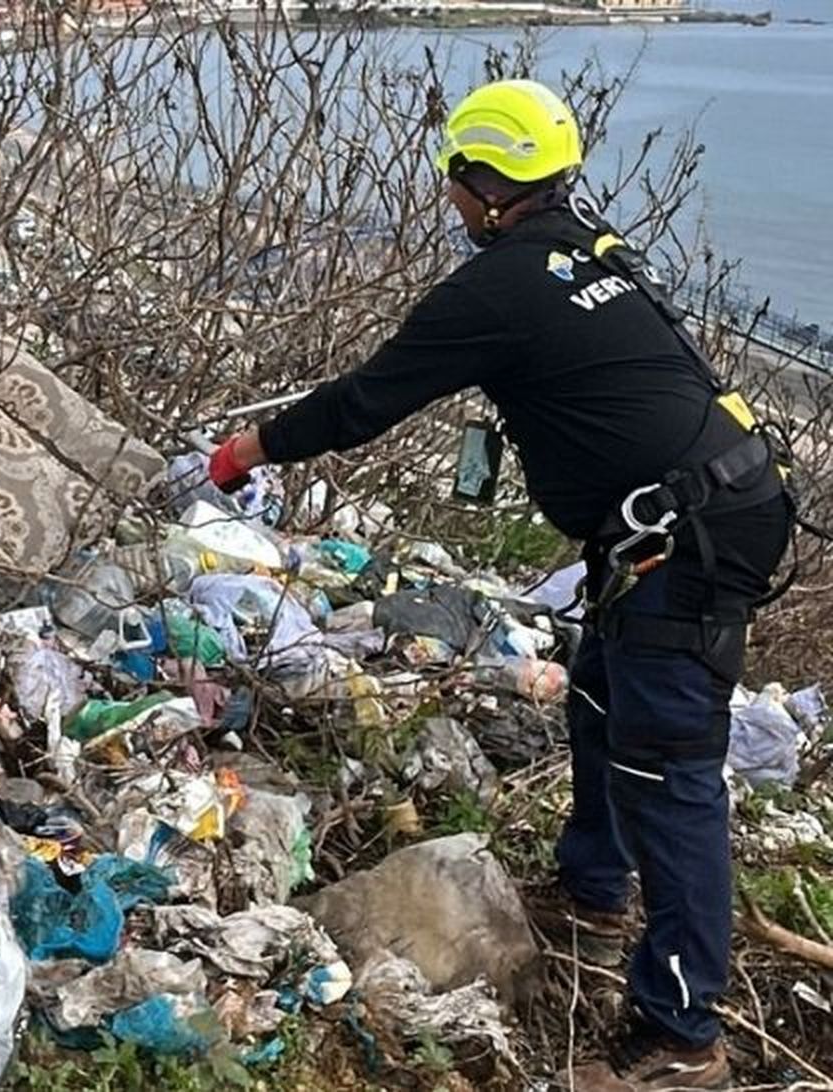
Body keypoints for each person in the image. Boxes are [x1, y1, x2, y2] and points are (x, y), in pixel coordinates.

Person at [209, 79, 791, 1092]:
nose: (451, 199)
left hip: (684, 537)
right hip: (683, 516)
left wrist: (251, 450)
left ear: (481, 183)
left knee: (671, 777)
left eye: (455, 181)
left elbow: (363, 401)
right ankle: (592, 892)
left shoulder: (496, 289)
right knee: (600, 703)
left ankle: (681, 1040)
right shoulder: (586, 252)